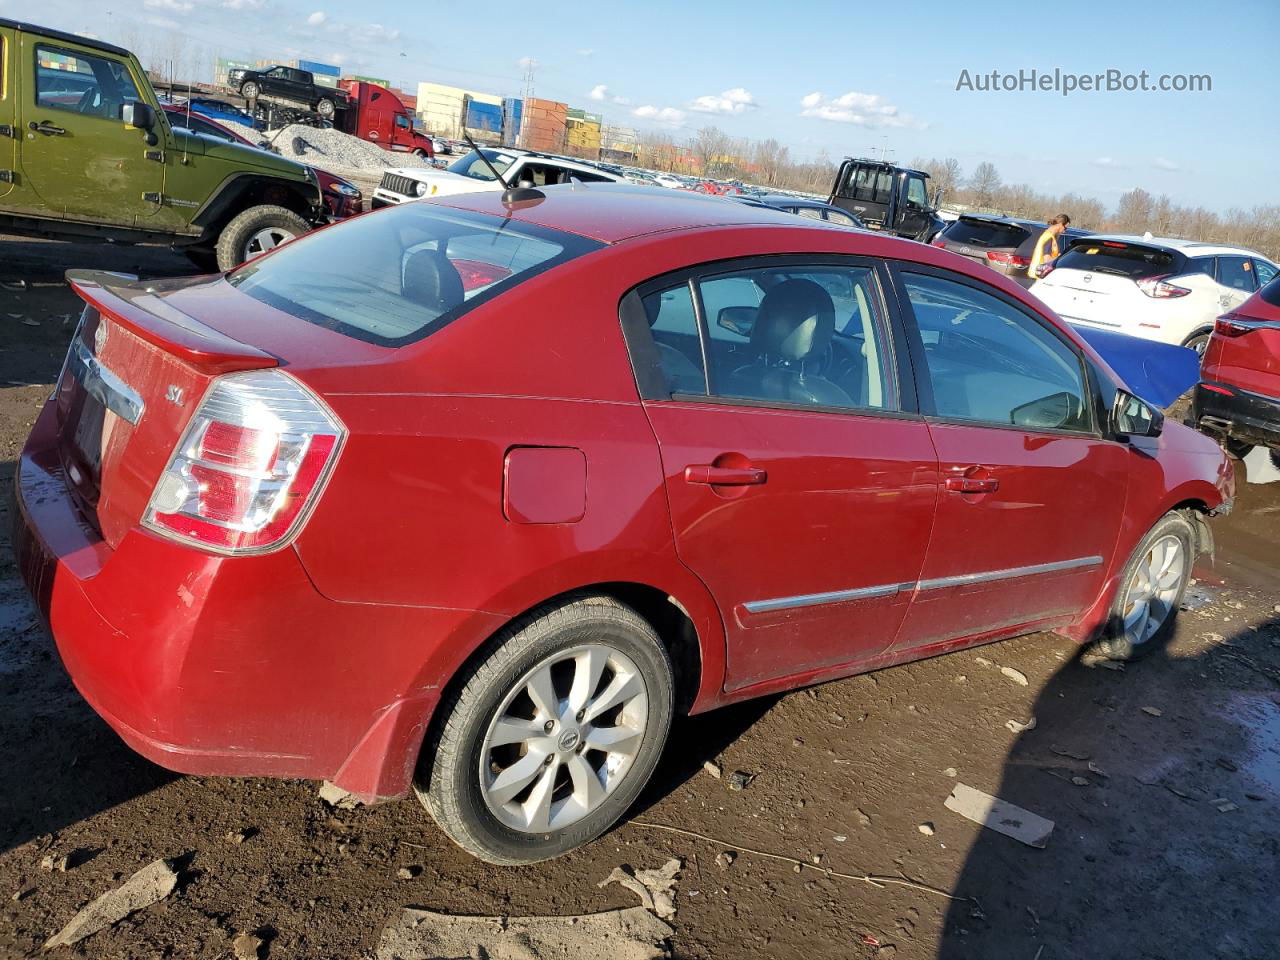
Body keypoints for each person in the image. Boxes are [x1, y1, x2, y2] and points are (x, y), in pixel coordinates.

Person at [1029, 213, 1071, 280]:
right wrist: (1060, 257)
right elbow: (1047, 260)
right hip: (1040, 276)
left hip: (1039, 274)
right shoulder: (1049, 238)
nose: (1064, 231)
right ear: (1060, 224)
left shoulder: (1047, 235)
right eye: (1065, 228)